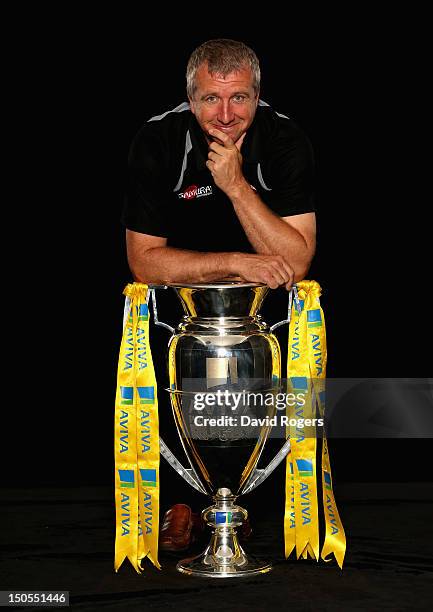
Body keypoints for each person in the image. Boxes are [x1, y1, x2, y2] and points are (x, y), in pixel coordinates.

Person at [122, 39, 316, 550]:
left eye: (241, 98)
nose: (227, 115)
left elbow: (295, 263)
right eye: (212, 99)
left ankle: (251, 498)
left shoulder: (285, 139)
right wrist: (233, 262)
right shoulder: (157, 140)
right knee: (152, 343)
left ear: (258, 95)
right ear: (190, 98)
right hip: (178, 311)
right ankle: (180, 501)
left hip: (267, 311)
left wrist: (235, 186)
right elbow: (144, 262)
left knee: (291, 361)